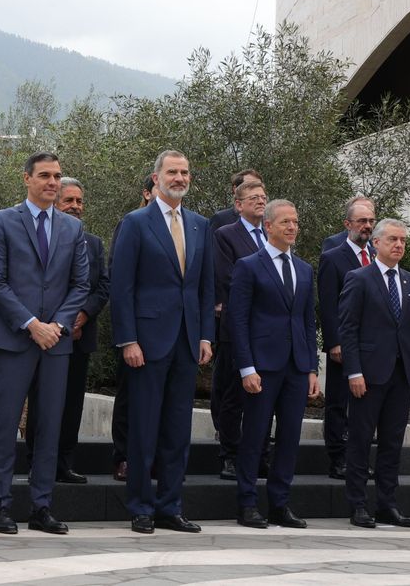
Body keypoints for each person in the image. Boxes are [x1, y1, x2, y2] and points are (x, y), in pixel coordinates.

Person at [0, 152, 89, 535]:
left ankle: (41, 505)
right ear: (26, 178)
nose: (52, 182)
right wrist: (31, 324)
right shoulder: (2, 221)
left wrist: (56, 326)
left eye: (57, 176)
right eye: (44, 175)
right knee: (5, 422)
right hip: (14, 338)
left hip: (55, 342)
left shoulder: (73, 230)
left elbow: (81, 285)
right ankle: (1, 505)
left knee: (49, 425)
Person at [111, 150, 214, 535]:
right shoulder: (135, 223)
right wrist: (128, 340)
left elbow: (204, 287)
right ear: (156, 178)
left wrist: (205, 335)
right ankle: (140, 506)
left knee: (177, 430)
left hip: (187, 342)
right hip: (147, 344)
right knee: (143, 429)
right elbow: (122, 288)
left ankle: (171, 506)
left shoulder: (201, 225)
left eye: (185, 172)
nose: (180, 178)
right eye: (172, 172)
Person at [228, 199, 320, 529]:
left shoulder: (305, 269)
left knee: (289, 438)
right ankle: (248, 503)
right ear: (269, 226)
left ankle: (280, 503)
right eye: (286, 222)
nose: (293, 227)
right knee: (254, 436)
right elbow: (237, 321)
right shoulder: (249, 265)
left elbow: (309, 322)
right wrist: (246, 367)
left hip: (296, 367)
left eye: (295, 222)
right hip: (262, 368)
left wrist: (311, 368)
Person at [337, 218, 410, 528]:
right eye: (392, 239)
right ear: (375, 243)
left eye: (403, 240)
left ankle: (388, 504)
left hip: (402, 375)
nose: (399, 245)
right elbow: (348, 329)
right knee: (361, 440)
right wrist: (353, 371)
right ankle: (358, 505)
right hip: (368, 375)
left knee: (392, 442)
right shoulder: (358, 278)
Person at [25, 177, 109, 484]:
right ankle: (36, 461)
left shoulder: (95, 243)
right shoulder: (41, 238)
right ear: (55, 204)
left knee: (72, 404)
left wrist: (83, 315)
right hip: (47, 337)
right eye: (68, 201)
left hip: (79, 338)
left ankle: (64, 462)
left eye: (79, 201)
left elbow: (102, 286)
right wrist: (61, 320)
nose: (75, 207)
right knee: (43, 402)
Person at [211, 179, 271, 480]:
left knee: (263, 396)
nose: (260, 201)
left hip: (267, 331)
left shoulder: (271, 235)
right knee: (233, 395)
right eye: (254, 197)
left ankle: (260, 453)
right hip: (237, 328)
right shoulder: (226, 235)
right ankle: (230, 455)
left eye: (263, 196)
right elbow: (227, 279)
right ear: (238, 204)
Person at [316, 198, 377, 480]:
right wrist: (334, 342)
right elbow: (327, 304)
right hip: (344, 344)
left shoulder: (378, 255)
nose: (367, 226)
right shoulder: (333, 256)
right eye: (362, 221)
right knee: (339, 403)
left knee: (364, 407)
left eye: (371, 221)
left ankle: (359, 458)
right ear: (347, 224)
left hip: (371, 345)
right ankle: (337, 459)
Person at [108, 174, 154, 482]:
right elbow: (119, 281)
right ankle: (123, 457)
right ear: (147, 193)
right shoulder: (132, 223)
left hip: (168, 329)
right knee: (129, 396)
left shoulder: (186, 226)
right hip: (137, 329)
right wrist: (128, 336)